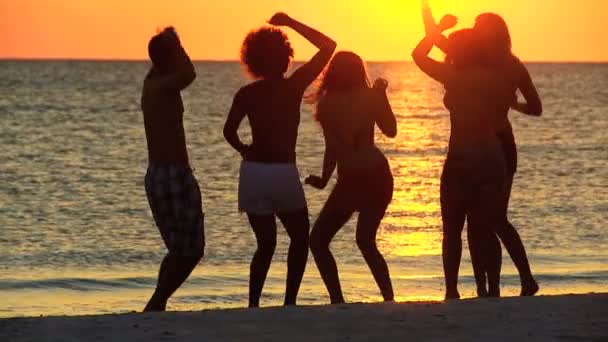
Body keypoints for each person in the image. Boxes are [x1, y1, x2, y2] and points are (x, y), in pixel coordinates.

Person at [223, 12, 336, 308]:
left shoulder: (246, 93)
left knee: (265, 245)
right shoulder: (293, 86)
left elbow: (229, 131)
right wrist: (291, 23)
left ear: (253, 61)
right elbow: (329, 46)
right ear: (285, 58)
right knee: (299, 238)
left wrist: (244, 150)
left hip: (254, 174)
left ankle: (253, 303)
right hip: (283, 172)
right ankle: (289, 302)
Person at [413, 11, 514, 298]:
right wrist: (428, 15)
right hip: (493, 157)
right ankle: (491, 288)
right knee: (485, 228)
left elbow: (419, 54)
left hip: (462, 159)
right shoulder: (497, 75)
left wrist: (437, 26)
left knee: (452, 229)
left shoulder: (452, 75)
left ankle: (452, 290)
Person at [306, 51, 397, 304]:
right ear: (360, 72)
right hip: (374, 176)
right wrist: (381, 96)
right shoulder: (369, 97)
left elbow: (332, 147)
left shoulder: (327, 103)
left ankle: (339, 299)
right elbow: (391, 130)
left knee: (320, 240)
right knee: (362, 241)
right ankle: (386, 299)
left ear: (331, 73)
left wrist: (324, 179)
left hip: (360, 180)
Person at [474, 13, 542, 296]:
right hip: (479, 144)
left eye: (479, 29)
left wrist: (513, 106)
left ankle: (525, 279)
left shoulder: (507, 65)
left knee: (494, 218)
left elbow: (536, 107)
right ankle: (491, 289)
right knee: (482, 220)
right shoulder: (479, 62)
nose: (474, 33)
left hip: (499, 145)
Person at [141, 27, 203, 312]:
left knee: (178, 250)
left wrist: (170, 43)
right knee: (192, 250)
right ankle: (157, 301)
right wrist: (178, 43)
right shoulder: (164, 84)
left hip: (157, 175)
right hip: (173, 175)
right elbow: (190, 73)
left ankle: (159, 303)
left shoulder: (151, 80)